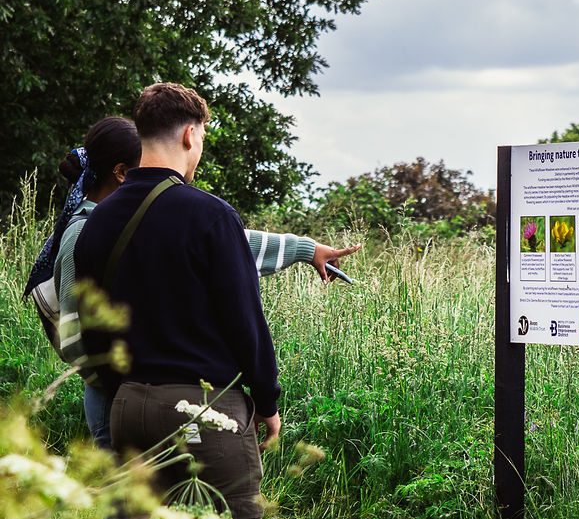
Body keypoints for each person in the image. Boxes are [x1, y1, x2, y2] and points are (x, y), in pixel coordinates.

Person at [73, 83, 307, 519]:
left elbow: (93, 332)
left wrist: (124, 394)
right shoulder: (210, 215)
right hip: (204, 408)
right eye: (201, 137)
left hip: (129, 406)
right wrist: (266, 401)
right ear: (188, 134)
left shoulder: (96, 221)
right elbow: (245, 321)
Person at [26, 117, 358, 450]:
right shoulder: (83, 232)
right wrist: (118, 386)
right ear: (122, 172)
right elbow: (74, 335)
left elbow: (222, 240)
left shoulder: (134, 217)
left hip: (141, 396)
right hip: (115, 399)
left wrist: (306, 249)